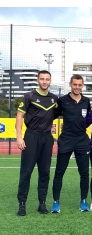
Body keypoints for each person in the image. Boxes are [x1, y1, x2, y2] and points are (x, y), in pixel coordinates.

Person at [15, 70, 58, 216]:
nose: (44, 81)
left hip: (47, 138)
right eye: (42, 79)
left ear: (50, 81)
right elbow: (20, 116)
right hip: (31, 136)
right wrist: (19, 137)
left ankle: (42, 203)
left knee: (44, 172)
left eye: (47, 79)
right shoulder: (29, 96)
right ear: (37, 80)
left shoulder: (54, 99)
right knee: (26, 172)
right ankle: (22, 204)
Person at [50, 74, 91, 213]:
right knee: (59, 172)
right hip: (66, 140)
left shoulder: (87, 101)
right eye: (75, 84)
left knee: (84, 173)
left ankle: (84, 201)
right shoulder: (62, 100)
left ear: (82, 85)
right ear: (70, 84)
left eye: (80, 85)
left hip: (82, 141)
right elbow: (52, 115)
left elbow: (88, 119)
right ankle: (56, 202)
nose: (77, 87)